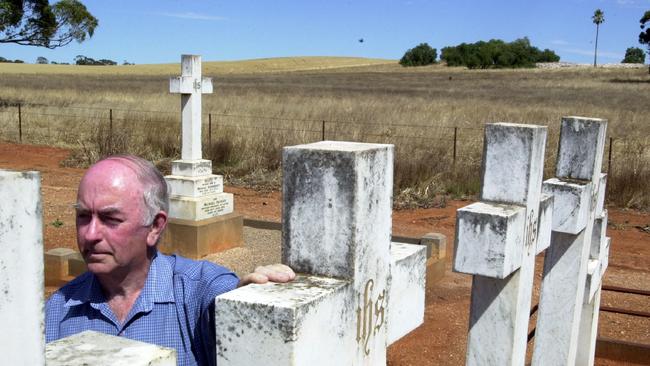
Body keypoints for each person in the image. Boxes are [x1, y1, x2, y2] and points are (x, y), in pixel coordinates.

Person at [45, 154, 294, 366]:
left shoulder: (198, 293)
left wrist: (251, 295)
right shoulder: (58, 310)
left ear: (155, 226)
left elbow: (229, 305)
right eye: (83, 216)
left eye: (111, 219)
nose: (90, 234)